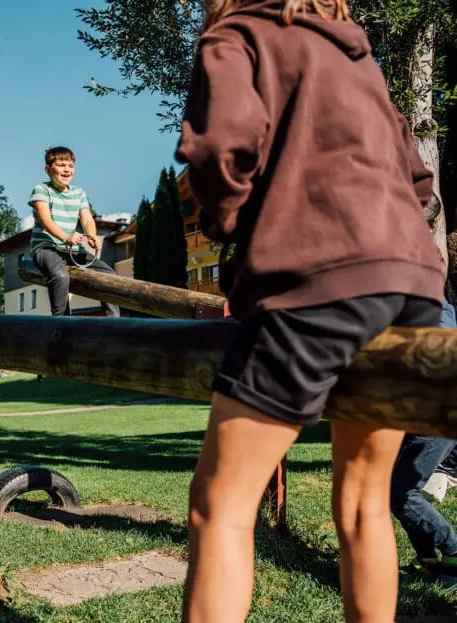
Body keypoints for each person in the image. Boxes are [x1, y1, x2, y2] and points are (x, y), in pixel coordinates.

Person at [175, 1, 445, 622]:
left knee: (219, 505)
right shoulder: (356, 55)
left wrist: (233, 225)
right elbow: (419, 181)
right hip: (411, 282)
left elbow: (220, 149)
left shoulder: (237, 37)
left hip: (320, 282)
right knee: (363, 504)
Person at [390, 296, 457, 579]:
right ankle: (428, 561)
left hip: (436, 414)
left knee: (403, 496)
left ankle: (453, 550)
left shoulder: (431, 304)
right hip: (417, 413)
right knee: (398, 490)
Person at [28, 146, 120, 317]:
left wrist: (91, 235)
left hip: (71, 250)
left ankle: (113, 320)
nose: (67, 170)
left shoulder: (78, 193)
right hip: (47, 247)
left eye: (71, 166)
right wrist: (66, 236)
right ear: (48, 169)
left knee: (109, 275)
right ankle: (61, 320)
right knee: (61, 276)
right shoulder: (42, 189)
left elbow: (86, 219)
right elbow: (45, 220)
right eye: (62, 165)